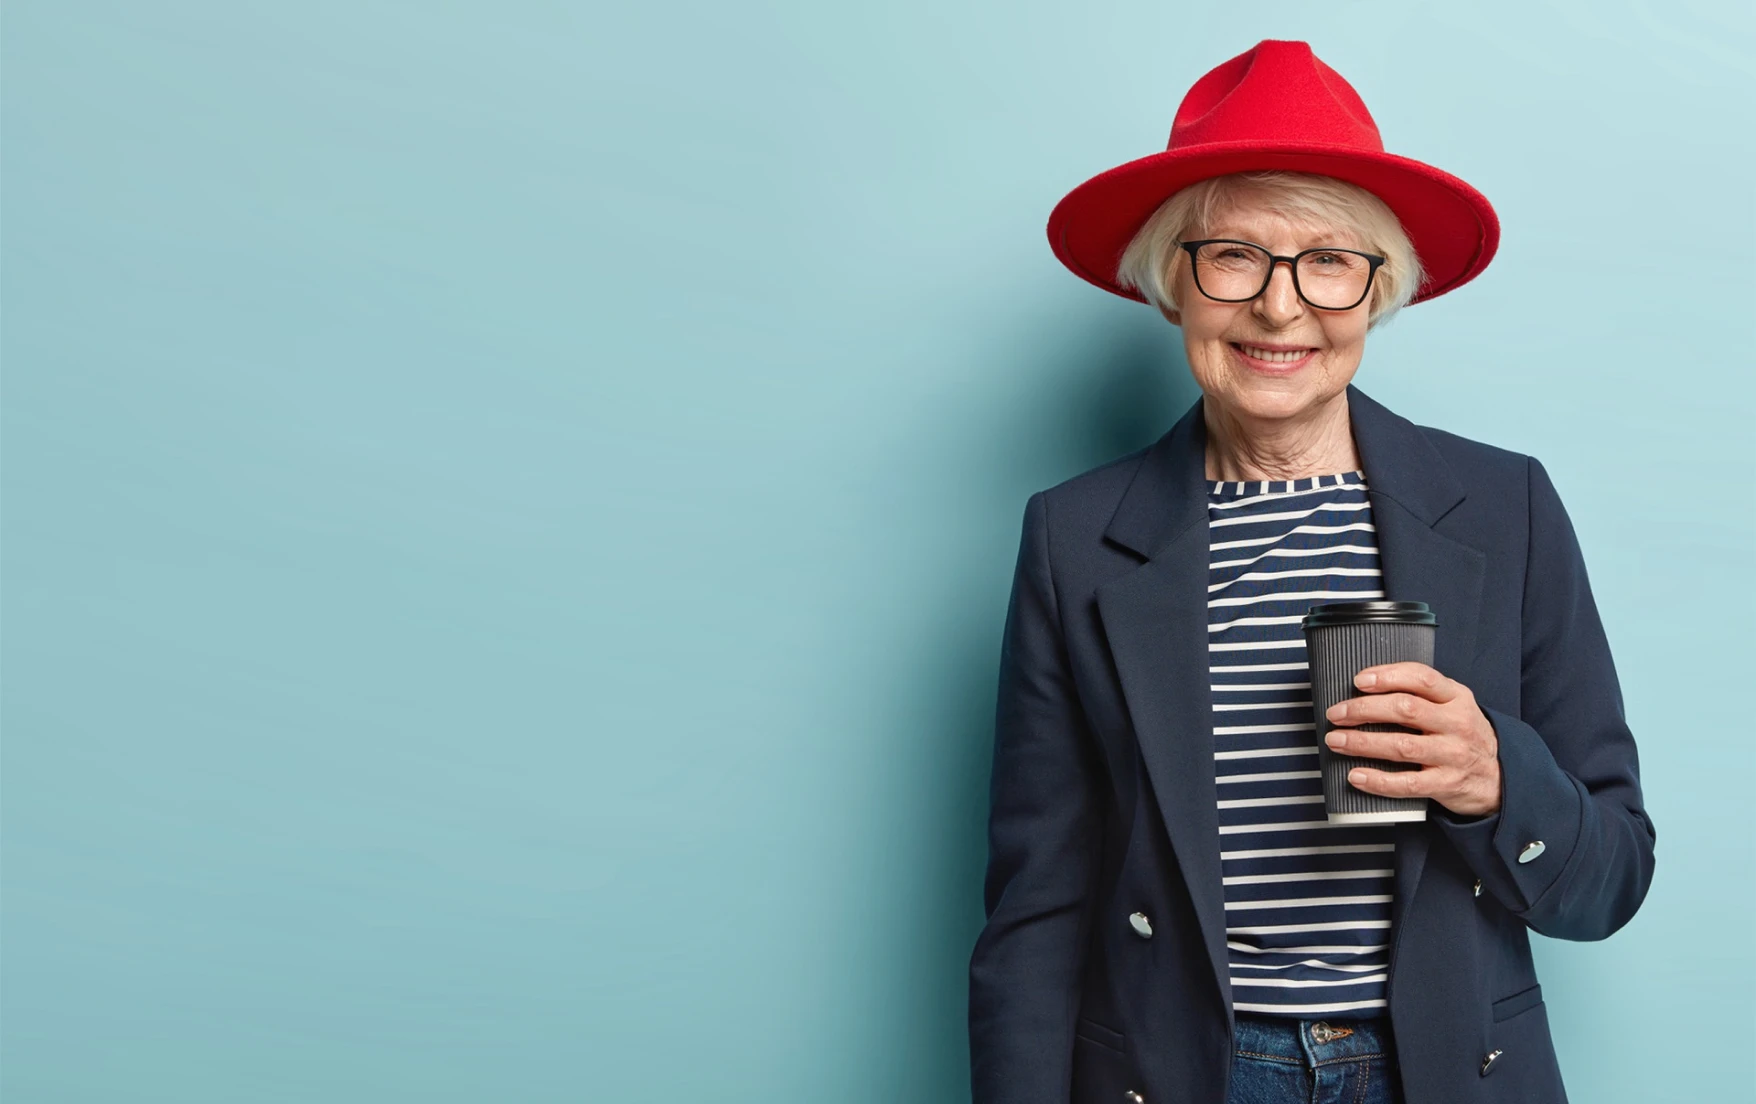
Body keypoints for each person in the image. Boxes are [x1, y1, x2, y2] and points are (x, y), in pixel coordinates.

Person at [967, 39, 1655, 1104]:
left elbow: (1609, 878)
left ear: (1378, 291)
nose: (1280, 309)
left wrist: (1489, 779)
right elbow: (1035, 910)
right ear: (1171, 285)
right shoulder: (1073, 537)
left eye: (1329, 260)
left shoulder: (1503, 507)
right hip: (1183, 1073)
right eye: (1232, 255)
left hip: (1440, 1068)